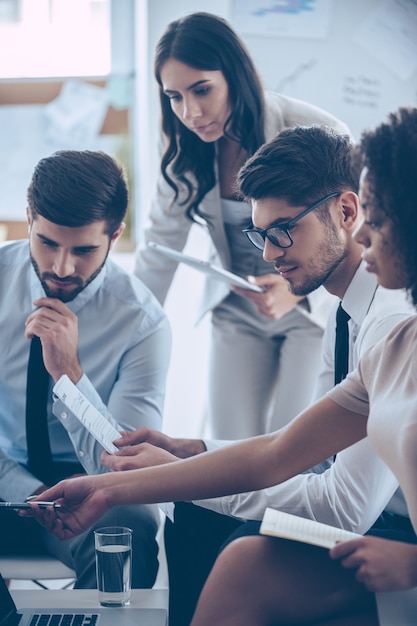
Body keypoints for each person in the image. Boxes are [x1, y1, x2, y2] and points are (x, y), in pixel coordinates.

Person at [28, 106, 417, 624]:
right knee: (198, 516)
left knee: (238, 552)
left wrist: (182, 475)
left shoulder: (391, 323)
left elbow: (340, 504)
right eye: (262, 235)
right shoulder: (349, 315)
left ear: (347, 213)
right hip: (372, 524)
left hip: (388, 535)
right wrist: (173, 462)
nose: (269, 254)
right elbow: (287, 450)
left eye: (283, 231)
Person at [134, 11, 351, 440]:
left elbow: (354, 229)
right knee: (228, 446)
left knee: (293, 449)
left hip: (311, 307)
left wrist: (293, 291)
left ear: (234, 76)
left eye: (202, 90)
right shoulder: (183, 155)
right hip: (237, 310)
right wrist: (120, 330)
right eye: (174, 97)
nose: (191, 112)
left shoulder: (316, 131)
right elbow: (157, 251)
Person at [0, 149, 172, 589]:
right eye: (48, 243)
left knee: (129, 528)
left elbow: (129, 466)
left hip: (89, 486)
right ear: (29, 220)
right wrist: (28, 493)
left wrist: (69, 377)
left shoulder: (142, 322)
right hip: (3, 472)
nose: (61, 267)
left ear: (115, 235)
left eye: (84, 250)